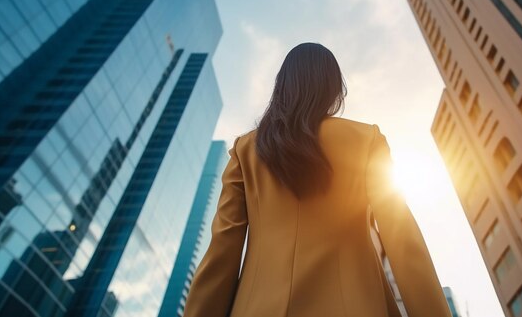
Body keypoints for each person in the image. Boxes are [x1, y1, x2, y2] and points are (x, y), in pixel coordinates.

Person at [183, 43, 451, 317]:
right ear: (334, 88)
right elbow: (403, 242)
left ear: (282, 87)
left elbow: (221, 254)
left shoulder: (246, 150)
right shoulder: (366, 141)